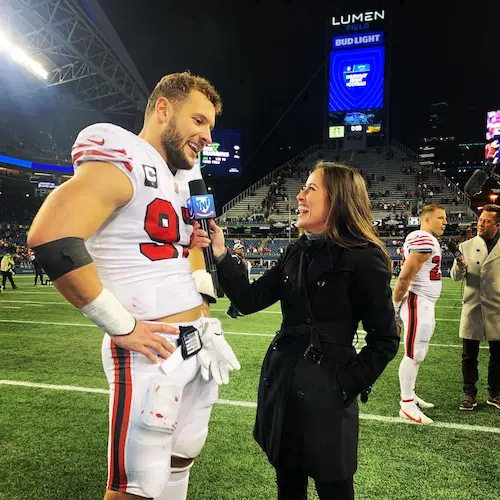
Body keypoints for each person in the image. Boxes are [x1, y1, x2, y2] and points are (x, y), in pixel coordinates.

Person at [27, 72, 240, 500]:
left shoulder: (178, 178)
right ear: (163, 109)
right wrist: (121, 325)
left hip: (196, 344)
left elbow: (169, 249)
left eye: (210, 127)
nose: (206, 136)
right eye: (198, 121)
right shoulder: (124, 155)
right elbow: (52, 238)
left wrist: (198, 264)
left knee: (181, 462)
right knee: (138, 486)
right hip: (152, 352)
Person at [206, 162, 399, 500]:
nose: (299, 196)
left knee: (334, 486)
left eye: (310, 188)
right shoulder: (296, 250)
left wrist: (345, 384)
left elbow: (384, 339)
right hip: (283, 381)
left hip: (329, 390)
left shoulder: (365, 258)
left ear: (337, 199)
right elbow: (251, 299)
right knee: (288, 484)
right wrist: (222, 253)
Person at [393, 204, 447, 425]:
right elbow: (405, 276)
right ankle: (406, 405)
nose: (445, 222)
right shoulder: (421, 237)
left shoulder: (429, 240)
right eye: (441, 218)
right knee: (413, 352)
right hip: (417, 300)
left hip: (425, 301)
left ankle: (411, 394)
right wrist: (395, 307)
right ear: (426, 220)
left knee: (419, 352)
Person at [450, 204, 500, 411]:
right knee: (469, 355)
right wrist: (460, 269)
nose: (481, 224)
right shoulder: (466, 246)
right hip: (473, 305)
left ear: (497, 225)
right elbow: (454, 277)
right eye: (480, 220)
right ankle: (469, 393)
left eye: (487, 221)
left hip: (498, 307)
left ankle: (495, 393)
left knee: (498, 355)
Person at [226, 242, 251, 319]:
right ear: (235, 250)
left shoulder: (241, 258)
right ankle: (231, 311)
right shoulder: (234, 258)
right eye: (240, 249)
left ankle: (235, 311)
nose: (242, 250)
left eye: (242, 248)